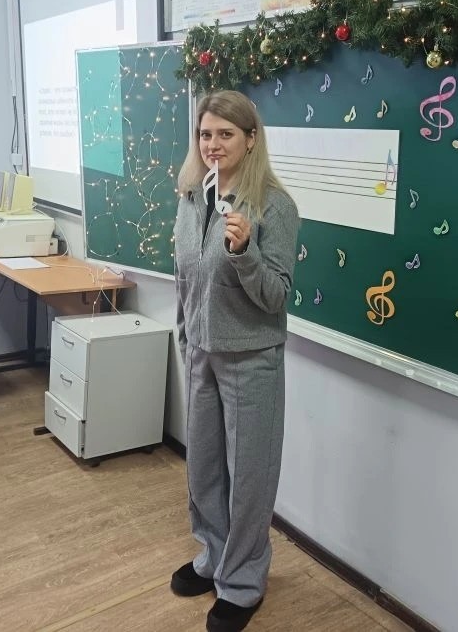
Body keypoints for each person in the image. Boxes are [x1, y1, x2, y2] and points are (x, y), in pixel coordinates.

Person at [170, 90, 300, 632]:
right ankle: (213, 556)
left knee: (249, 477)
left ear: (250, 139)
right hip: (201, 353)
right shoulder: (191, 196)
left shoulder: (274, 206)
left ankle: (243, 584)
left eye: (225, 134)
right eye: (206, 134)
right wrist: (185, 338)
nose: (214, 144)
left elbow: (277, 295)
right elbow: (186, 278)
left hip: (251, 358)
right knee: (203, 468)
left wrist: (246, 252)